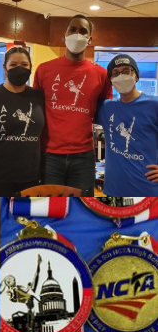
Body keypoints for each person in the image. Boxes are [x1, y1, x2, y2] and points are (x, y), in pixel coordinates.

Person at [33, 14, 113, 196]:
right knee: (50, 205)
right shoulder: (44, 70)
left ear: (90, 39)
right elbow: (35, 112)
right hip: (50, 155)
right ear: (64, 35)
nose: (77, 34)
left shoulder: (101, 74)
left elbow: (108, 113)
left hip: (83, 157)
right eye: (73, 30)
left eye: (83, 31)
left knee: (83, 205)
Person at [0, 47, 45, 196]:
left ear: (30, 67)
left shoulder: (39, 98)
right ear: (4, 68)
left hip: (31, 178)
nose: (19, 68)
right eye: (13, 65)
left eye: (24, 65)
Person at [94, 54, 158, 196]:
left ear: (136, 76)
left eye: (127, 71)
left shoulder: (154, 105)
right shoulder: (106, 108)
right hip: (113, 189)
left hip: (147, 190)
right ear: (111, 80)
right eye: (115, 73)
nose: (121, 76)